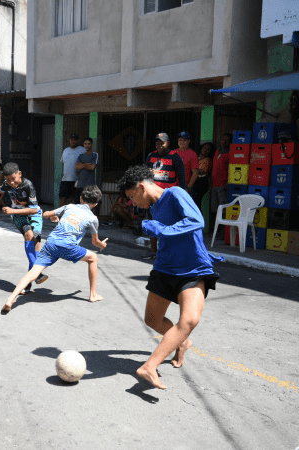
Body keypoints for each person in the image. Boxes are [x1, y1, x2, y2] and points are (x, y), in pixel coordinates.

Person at [117, 165, 221, 390]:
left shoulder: (176, 193)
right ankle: (181, 342)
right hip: (165, 268)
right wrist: (156, 229)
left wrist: (159, 229)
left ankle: (150, 366)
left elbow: (196, 222)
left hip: (192, 269)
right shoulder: (154, 208)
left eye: (131, 196)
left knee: (189, 320)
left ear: (141, 187)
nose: (132, 202)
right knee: (152, 320)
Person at [1, 185, 108, 313]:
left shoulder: (69, 206)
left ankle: (11, 299)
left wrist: (54, 216)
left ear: (80, 199)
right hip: (67, 246)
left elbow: (45, 214)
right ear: (95, 204)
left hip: (51, 243)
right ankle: (93, 295)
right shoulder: (93, 218)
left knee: (33, 273)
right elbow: (95, 242)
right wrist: (102, 245)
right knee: (93, 258)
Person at [0, 163, 47, 293]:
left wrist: (12, 211)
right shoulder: (8, 184)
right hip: (19, 215)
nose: (11, 183)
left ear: (19, 174)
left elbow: (34, 209)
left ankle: (28, 282)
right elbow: (0, 189)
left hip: (33, 214)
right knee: (29, 236)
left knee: (36, 246)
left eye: (13, 179)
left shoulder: (28, 185)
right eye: (8, 180)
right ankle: (37, 274)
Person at [143, 132, 186, 259]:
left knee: (168, 225)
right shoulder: (151, 156)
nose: (159, 144)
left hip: (167, 197)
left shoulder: (175, 157)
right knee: (152, 223)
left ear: (168, 143)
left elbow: (182, 178)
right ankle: (153, 251)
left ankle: (168, 252)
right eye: (157, 142)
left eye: (162, 142)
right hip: (152, 197)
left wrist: (181, 195)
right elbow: (145, 175)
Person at [210, 133, 232, 238]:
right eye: (223, 139)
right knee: (215, 209)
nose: (224, 141)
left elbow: (232, 169)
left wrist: (227, 184)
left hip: (223, 186)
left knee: (223, 210)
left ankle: (223, 232)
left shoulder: (230, 153)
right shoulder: (217, 151)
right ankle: (216, 231)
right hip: (214, 185)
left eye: (227, 140)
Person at [59, 133, 85, 206]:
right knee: (62, 197)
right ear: (69, 140)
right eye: (71, 140)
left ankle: (74, 216)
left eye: (75, 140)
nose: (73, 141)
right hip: (65, 179)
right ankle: (62, 216)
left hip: (76, 179)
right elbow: (63, 163)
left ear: (78, 140)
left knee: (75, 199)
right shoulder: (66, 150)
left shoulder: (82, 150)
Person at [74, 137, 99, 206]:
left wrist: (82, 165)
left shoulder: (95, 155)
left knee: (88, 205)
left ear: (91, 144)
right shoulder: (81, 156)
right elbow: (76, 167)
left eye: (89, 144)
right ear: (83, 145)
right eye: (85, 144)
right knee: (78, 204)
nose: (87, 145)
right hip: (80, 185)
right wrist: (86, 164)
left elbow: (92, 167)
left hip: (89, 185)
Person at [190, 142, 214, 212]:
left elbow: (201, 171)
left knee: (196, 204)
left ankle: (199, 221)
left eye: (208, 149)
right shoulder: (197, 158)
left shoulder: (208, 160)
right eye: (204, 147)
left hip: (200, 183)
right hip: (193, 183)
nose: (205, 150)